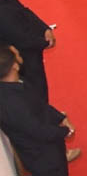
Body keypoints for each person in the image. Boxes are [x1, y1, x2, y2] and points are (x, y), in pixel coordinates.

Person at [0, 47, 80, 176]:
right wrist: (65, 131)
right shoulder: (12, 105)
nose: (20, 56)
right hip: (44, 157)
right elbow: (38, 130)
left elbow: (40, 104)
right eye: (17, 55)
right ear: (15, 66)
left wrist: (60, 118)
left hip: (47, 148)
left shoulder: (16, 84)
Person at [0, 0, 56, 103]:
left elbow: (22, 10)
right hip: (21, 59)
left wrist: (44, 28)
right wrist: (44, 42)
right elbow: (20, 38)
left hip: (27, 54)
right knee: (33, 97)